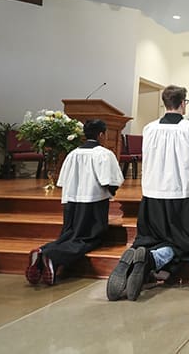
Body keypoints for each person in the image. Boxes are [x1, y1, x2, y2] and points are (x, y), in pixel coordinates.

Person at [107, 85, 189, 301]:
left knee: (150, 237)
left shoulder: (149, 128)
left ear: (165, 103)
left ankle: (135, 257)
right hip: (181, 195)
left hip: (152, 195)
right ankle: (152, 260)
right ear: (183, 103)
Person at [25, 120, 124, 286]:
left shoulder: (72, 154)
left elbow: (62, 181)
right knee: (87, 239)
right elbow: (110, 182)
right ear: (101, 135)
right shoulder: (104, 154)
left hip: (71, 202)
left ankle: (44, 250)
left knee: (70, 235)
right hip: (93, 203)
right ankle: (52, 257)